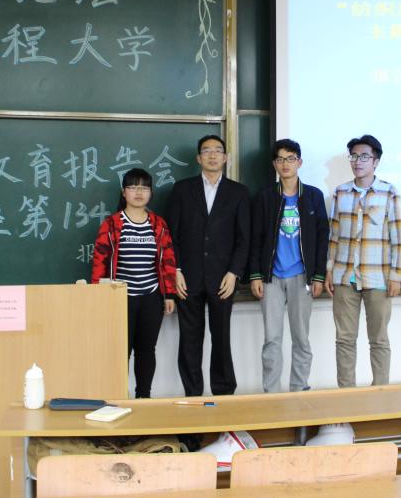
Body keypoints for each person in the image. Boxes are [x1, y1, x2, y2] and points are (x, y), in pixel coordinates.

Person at [168, 135, 250, 396]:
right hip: (188, 277)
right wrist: (176, 270)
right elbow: (172, 235)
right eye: (206, 151)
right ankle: (193, 395)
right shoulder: (182, 190)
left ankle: (224, 394)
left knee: (221, 338)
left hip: (223, 278)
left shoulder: (239, 192)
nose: (212, 155)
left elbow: (244, 238)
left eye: (217, 151)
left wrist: (234, 272)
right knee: (189, 340)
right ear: (198, 158)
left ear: (225, 157)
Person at [92, 167, 181, 399]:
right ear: (124, 193)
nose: (139, 192)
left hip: (151, 296)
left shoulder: (158, 224)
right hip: (121, 298)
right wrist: (98, 296)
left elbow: (168, 260)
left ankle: (143, 398)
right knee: (121, 351)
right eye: (133, 187)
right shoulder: (112, 224)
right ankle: (118, 398)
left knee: (146, 350)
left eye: (144, 188)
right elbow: (100, 261)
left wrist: (169, 294)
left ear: (150, 192)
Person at [325, 134, 401, 388]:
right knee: (344, 340)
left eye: (364, 157)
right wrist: (329, 270)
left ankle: (380, 393)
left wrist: (396, 275)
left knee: (378, 339)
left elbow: (398, 237)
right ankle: (346, 396)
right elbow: (333, 236)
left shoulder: (389, 192)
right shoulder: (340, 192)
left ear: (376, 162)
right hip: (344, 276)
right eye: (354, 156)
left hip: (378, 277)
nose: (358, 161)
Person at [249, 138, 329, 393]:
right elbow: (255, 237)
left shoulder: (313, 196)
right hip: (271, 277)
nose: (285, 164)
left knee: (301, 338)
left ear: (299, 162)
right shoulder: (265, 196)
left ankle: (299, 388)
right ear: (274, 164)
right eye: (280, 159)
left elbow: (322, 238)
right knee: (272, 339)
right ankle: (271, 393)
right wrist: (255, 275)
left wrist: (318, 276)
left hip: (302, 276)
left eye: (291, 158)